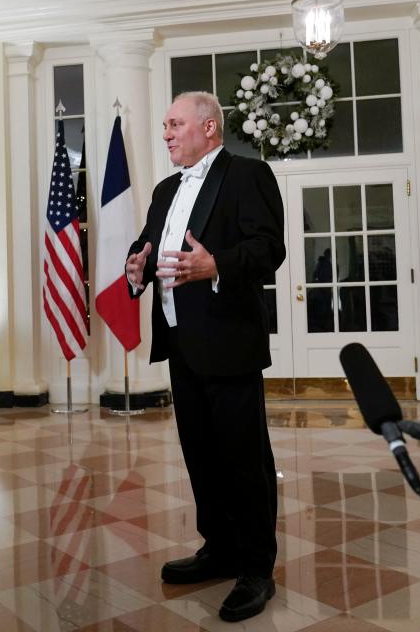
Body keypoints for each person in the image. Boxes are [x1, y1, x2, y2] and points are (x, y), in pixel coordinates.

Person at [125, 91, 285, 622]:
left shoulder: (247, 174)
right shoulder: (166, 188)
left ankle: (257, 568)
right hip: (180, 341)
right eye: (164, 125)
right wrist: (137, 267)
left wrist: (216, 265)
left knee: (244, 458)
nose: (166, 132)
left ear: (210, 128)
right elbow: (150, 245)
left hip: (230, 341)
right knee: (200, 454)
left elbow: (269, 248)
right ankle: (219, 548)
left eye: (175, 124)